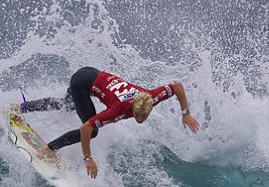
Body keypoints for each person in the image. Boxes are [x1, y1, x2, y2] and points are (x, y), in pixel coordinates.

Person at [15, 67, 199, 178]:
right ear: (133, 107)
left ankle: (20, 108)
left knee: (66, 105)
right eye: (137, 115)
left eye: (144, 116)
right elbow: (86, 128)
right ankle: (48, 150)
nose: (140, 119)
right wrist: (88, 158)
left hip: (89, 72)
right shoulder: (119, 109)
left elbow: (177, 87)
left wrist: (186, 113)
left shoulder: (151, 97)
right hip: (81, 83)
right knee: (93, 131)